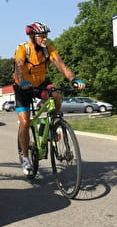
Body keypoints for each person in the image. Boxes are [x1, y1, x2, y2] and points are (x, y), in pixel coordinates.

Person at [13, 22, 85, 176]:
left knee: (57, 94)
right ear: (32, 36)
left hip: (40, 83)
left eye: (46, 36)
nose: (45, 39)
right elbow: (19, 66)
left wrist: (74, 79)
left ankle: (54, 124)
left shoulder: (48, 50)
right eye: (42, 36)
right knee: (25, 122)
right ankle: (25, 158)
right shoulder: (23, 49)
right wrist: (22, 81)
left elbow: (60, 65)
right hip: (22, 87)